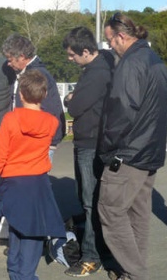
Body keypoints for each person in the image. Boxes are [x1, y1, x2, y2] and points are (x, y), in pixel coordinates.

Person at [98, 13, 167, 280]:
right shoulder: (154, 59)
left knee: (111, 212)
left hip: (128, 153)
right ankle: (133, 271)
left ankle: (136, 273)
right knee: (138, 214)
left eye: (109, 41)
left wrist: (107, 150)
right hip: (149, 150)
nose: (109, 47)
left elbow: (121, 112)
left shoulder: (131, 63)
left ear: (121, 36)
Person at [0, 70, 66, 280]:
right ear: (45, 93)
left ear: (20, 94)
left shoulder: (10, 119)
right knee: (34, 231)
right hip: (38, 182)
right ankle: (26, 275)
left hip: (13, 181)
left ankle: (16, 272)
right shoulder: (51, 122)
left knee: (17, 227)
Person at [62, 27, 114, 277]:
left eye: (72, 55)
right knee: (87, 199)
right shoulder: (95, 69)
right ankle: (95, 248)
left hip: (91, 143)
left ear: (85, 51)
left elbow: (76, 106)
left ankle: (92, 256)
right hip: (86, 140)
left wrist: (72, 99)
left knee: (90, 201)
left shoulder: (97, 73)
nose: (70, 59)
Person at [1, 33, 65, 160]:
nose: (8, 64)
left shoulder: (37, 75)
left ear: (22, 56)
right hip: (36, 140)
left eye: (10, 60)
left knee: (33, 178)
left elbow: (48, 110)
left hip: (39, 142)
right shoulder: (31, 72)